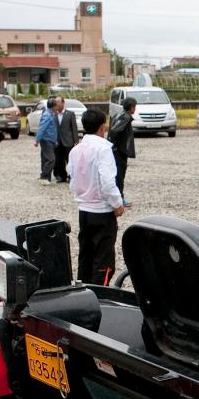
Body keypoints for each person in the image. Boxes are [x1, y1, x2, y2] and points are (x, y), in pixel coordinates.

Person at [69, 108, 126, 285]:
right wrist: (117, 203)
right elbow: (108, 182)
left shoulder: (76, 149)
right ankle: (100, 296)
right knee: (103, 259)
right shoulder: (103, 149)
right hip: (102, 211)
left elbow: (72, 177)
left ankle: (83, 291)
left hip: (84, 210)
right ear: (102, 127)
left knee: (85, 255)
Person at [108, 97, 137, 199]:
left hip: (117, 150)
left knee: (117, 173)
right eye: (134, 106)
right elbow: (115, 131)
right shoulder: (125, 117)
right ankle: (119, 197)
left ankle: (119, 196)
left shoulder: (118, 114)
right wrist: (113, 145)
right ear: (131, 107)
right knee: (120, 174)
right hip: (120, 150)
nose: (135, 109)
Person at [52, 96, 79, 183]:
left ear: (63, 103)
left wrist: (76, 141)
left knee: (70, 160)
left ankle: (72, 176)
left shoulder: (70, 114)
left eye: (58, 101)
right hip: (58, 142)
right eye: (55, 102)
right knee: (59, 160)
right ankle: (61, 176)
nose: (57, 103)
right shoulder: (54, 115)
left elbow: (74, 128)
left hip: (68, 141)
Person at [34, 98, 58, 184]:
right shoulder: (47, 115)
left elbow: (52, 129)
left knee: (45, 159)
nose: (57, 107)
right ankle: (43, 177)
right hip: (46, 141)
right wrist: (37, 140)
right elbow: (42, 128)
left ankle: (46, 178)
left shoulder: (51, 113)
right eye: (56, 105)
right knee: (51, 159)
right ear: (53, 106)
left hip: (50, 140)